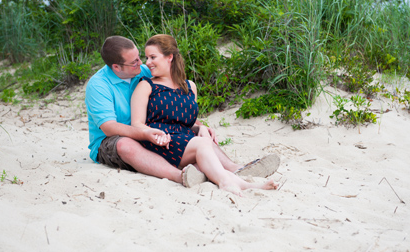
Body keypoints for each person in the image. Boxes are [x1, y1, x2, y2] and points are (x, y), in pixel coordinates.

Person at [86, 36, 279, 188]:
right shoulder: (99, 85)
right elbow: (110, 127)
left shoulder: (143, 71)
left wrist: (199, 126)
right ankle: (181, 176)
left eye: (140, 57)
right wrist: (144, 132)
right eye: (134, 61)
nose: (142, 63)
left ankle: (235, 169)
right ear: (116, 67)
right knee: (125, 145)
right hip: (114, 138)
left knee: (196, 135)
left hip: (150, 130)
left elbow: (168, 111)